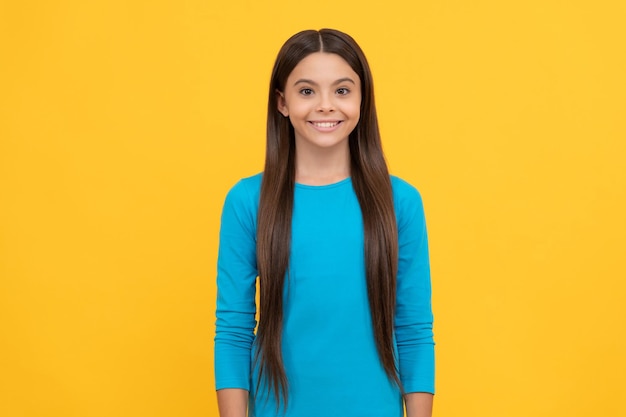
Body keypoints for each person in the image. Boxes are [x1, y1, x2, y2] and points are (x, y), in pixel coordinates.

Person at [214, 28, 435, 417]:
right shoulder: (248, 201)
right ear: (282, 102)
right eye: (306, 91)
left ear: (362, 101)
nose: (326, 105)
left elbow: (414, 328)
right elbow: (233, 331)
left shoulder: (400, 202)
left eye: (343, 90)